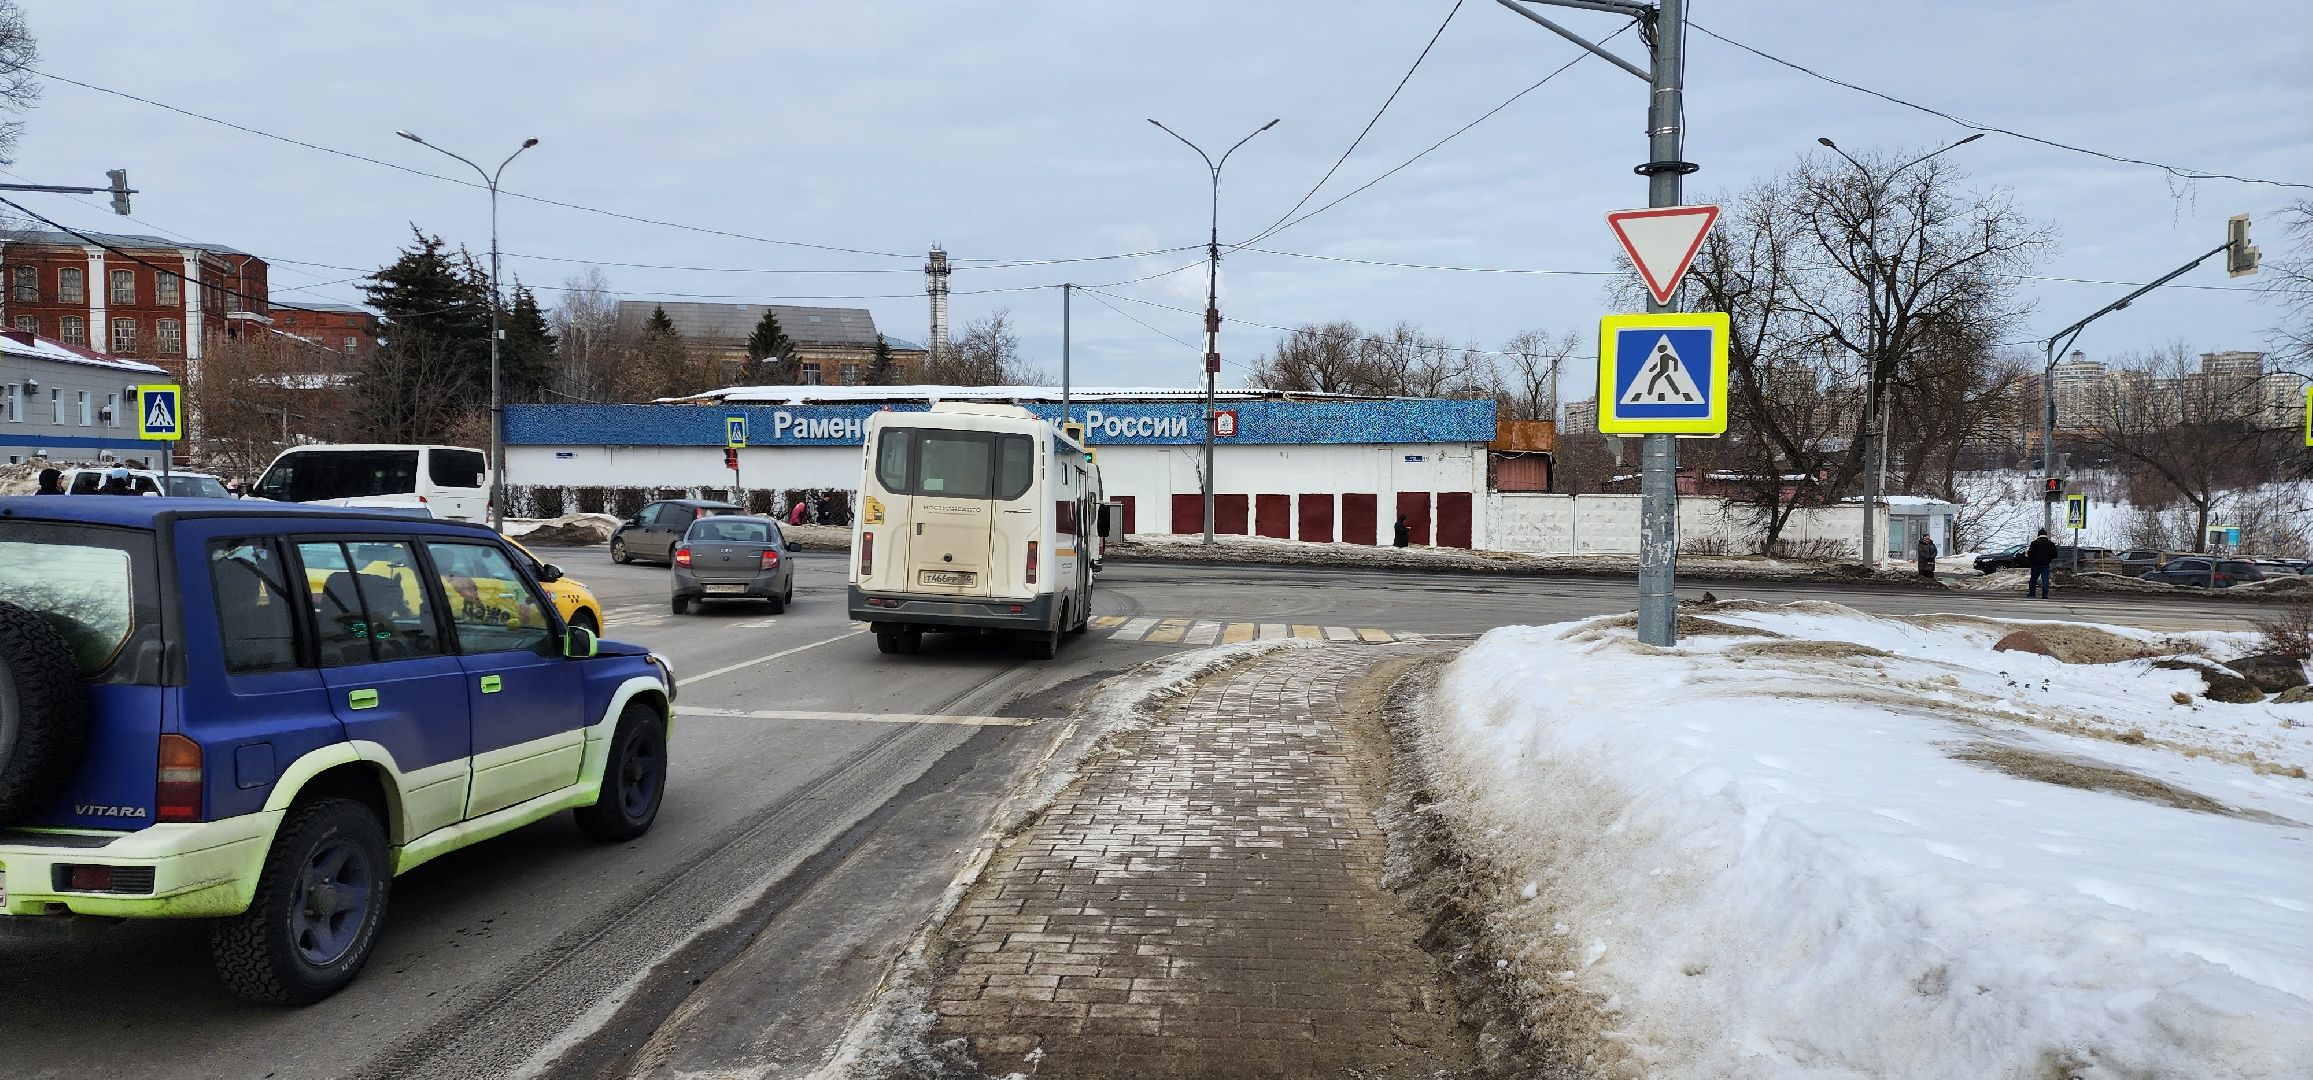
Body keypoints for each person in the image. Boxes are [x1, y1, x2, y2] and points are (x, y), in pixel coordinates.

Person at [2025, 529, 2059, 599]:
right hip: (2045, 564)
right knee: (2045, 579)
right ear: (2046, 535)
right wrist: (2049, 558)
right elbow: (2054, 554)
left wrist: (2032, 560)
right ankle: (2045, 594)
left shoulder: (2034, 543)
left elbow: (2030, 553)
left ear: (2038, 535)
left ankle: (2032, 593)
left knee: (2033, 578)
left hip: (2035, 564)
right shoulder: (2050, 544)